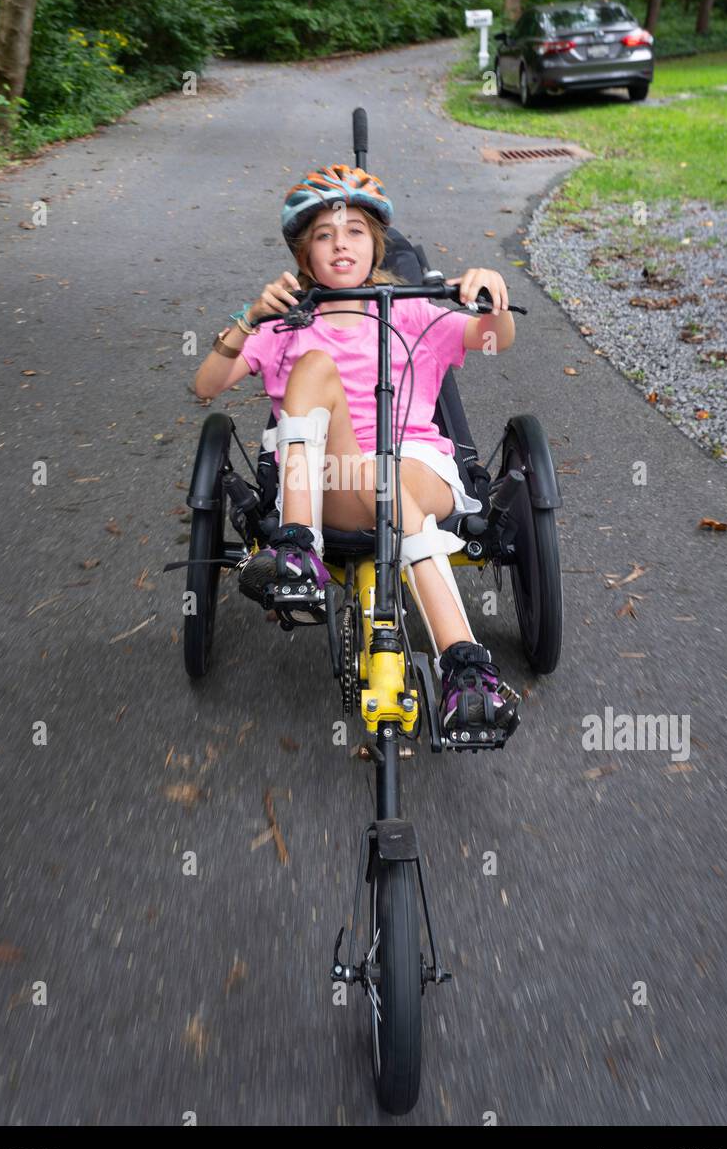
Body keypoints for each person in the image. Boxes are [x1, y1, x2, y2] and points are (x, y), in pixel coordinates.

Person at [192, 164, 520, 738]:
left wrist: (492, 296)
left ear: (376, 245)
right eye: (324, 234)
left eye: (354, 232)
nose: (340, 244)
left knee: (390, 477)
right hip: (332, 486)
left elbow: (495, 339)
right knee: (317, 372)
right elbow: (205, 385)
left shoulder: (417, 308)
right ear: (304, 253)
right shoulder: (283, 326)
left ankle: (462, 666)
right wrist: (248, 319)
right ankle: (303, 556)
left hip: (419, 469)